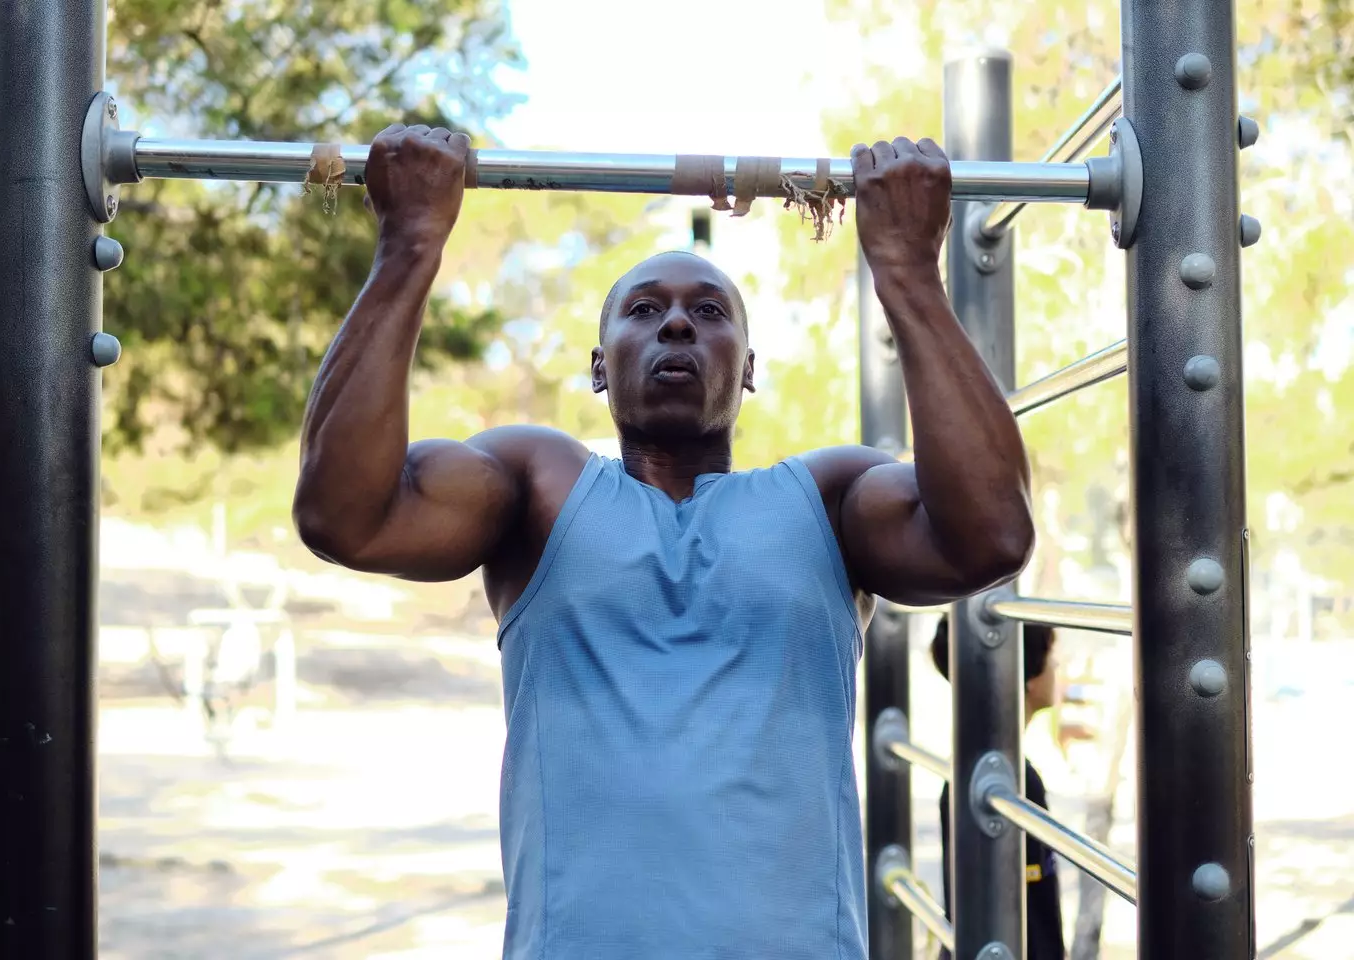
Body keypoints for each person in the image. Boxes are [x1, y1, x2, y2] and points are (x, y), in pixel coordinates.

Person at [293, 123, 1034, 960]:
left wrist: (907, 273)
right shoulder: (538, 485)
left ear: (747, 369)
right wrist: (409, 246)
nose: (676, 324)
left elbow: (991, 537)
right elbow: (344, 516)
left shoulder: (829, 498)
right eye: (644, 311)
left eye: (708, 313)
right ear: (600, 366)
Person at [930, 615, 1065, 960]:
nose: (1057, 667)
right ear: (1028, 676)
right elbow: (1032, 914)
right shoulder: (1011, 782)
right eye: (1052, 657)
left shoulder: (970, 770)